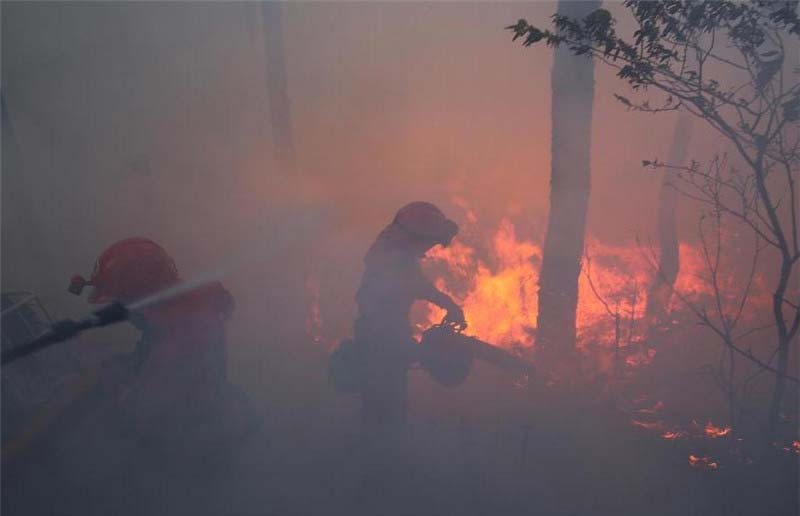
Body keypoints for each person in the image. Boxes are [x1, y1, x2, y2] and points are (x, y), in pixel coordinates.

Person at [69, 237, 249, 462]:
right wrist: (116, 363)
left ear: (139, 294)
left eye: (121, 300)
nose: (127, 316)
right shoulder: (184, 315)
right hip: (212, 431)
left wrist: (102, 379)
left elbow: (144, 414)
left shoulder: (181, 335)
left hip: (189, 458)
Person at [354, 202, 466, 427]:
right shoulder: (392, 262)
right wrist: (415, 350)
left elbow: (415, 285)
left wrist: (448, 305)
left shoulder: (391, 257)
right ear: (416, 237)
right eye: (429, 241)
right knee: (385, 416)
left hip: (381, 342)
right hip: (380, 350)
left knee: (384, 412)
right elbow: (411, 288)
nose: (428, 248)